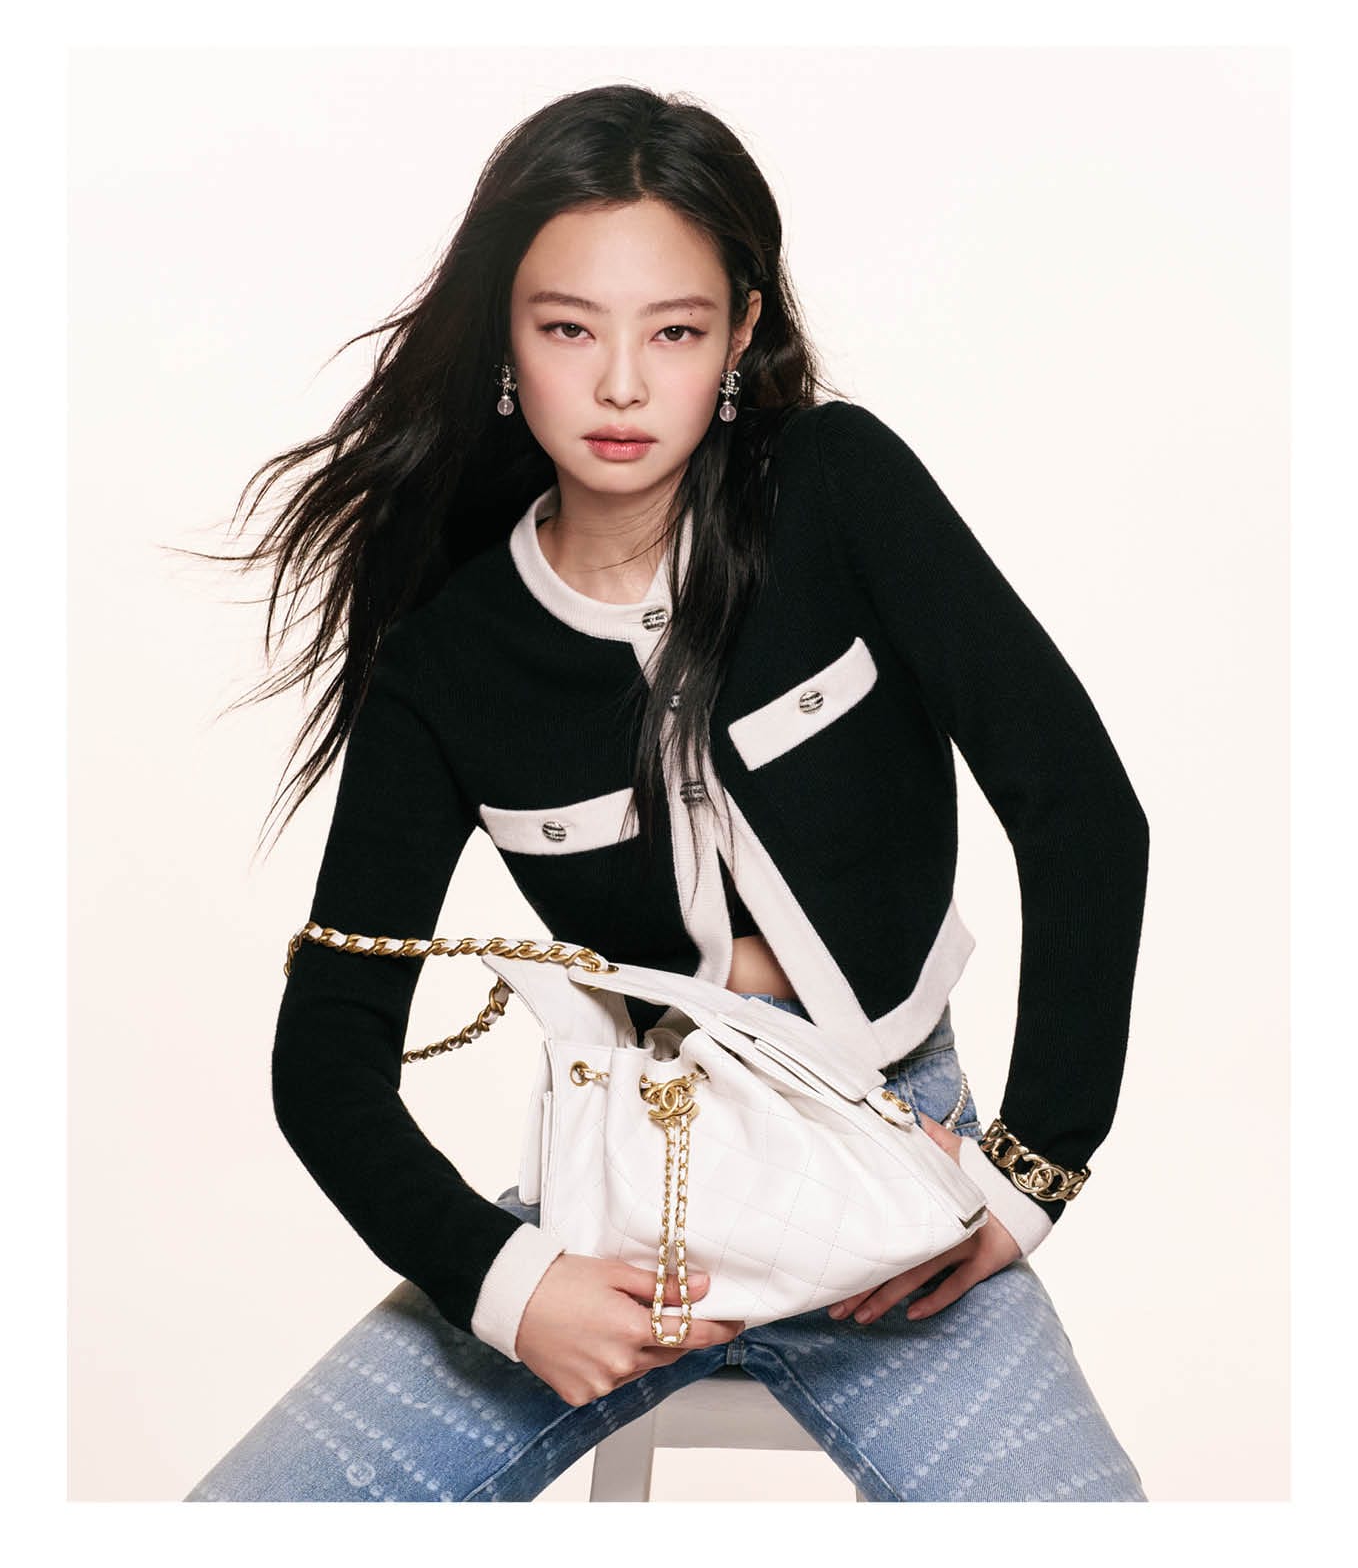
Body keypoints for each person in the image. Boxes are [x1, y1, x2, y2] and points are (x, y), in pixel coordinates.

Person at [183, 83, 1150, 1503]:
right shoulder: (448, 656)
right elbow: (325, 1048)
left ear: (742, 332)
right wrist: (509, 1282)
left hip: (901, 1199)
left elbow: (1081, 809)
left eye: (675, 331)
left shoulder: (838, 489)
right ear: (504, 336)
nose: (623, 386)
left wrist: (1030, 1169)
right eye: (570, 328)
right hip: (622, 1205)